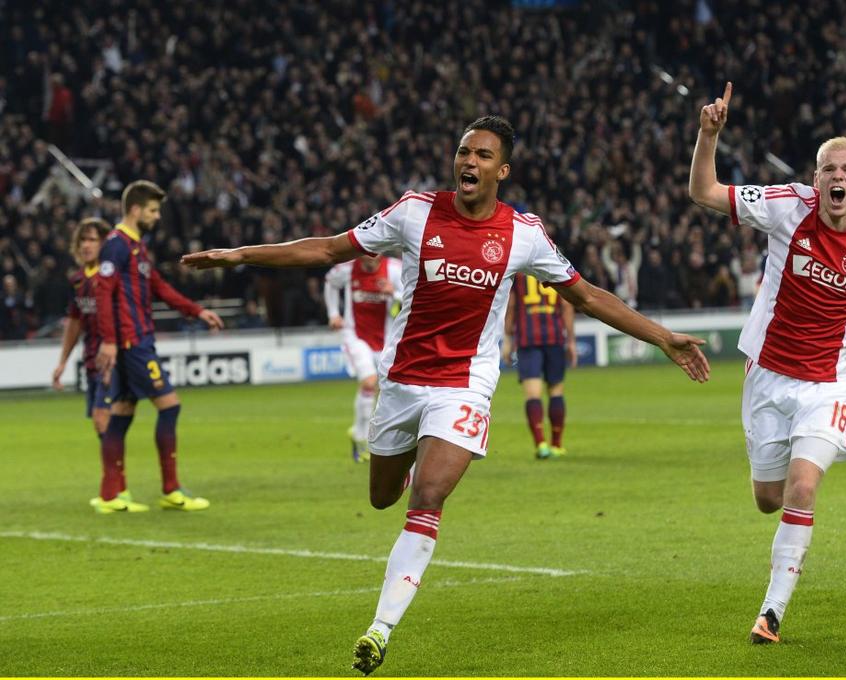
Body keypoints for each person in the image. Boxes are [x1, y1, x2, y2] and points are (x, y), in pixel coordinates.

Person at [182, 115, 710, 674]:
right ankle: (414, 457)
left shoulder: (524, 233)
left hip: (465, 384)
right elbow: (329, 250)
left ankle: (380, 629)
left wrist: (661, 337)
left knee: (428, 494)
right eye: (463, 152)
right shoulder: (414, 211)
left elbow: (588, 296)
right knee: (382, 496)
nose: (469, 162)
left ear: (502, 171)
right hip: (402, 381)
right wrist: (240, 254)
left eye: (483, 155)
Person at [689, 83, 846, 644]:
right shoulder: (787, 206)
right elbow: (704, 191)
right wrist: (708, 135)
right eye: (828, 168)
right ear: (816, 178)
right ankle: (787, 521)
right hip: (768, 375)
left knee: (802, 487)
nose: (837, 176)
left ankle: (771, 613)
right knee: (769, 499)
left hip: (832, 385)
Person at [93, 180, 224, 514]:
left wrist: (196, 311)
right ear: (135, 209)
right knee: (169, 406)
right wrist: (109, 340)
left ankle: (110, 495)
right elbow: (102, 293)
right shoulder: (116, 245)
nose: (157, 216)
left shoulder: (136, 246)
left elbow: (159, 287)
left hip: (134, 341)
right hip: (132, 342)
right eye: (152, 210)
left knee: (122, 414)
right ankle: (171, 489)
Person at [325, 255, 404, 462]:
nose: (370, 256)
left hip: (388, 340)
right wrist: (333, 313)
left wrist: (394, 293)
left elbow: (415, 297)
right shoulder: (347, 268)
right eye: (366, 251)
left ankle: (362, 434)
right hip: (355, 336)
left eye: (374, 251)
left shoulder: (395, 269)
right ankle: (363, 438)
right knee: (369, 382)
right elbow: (330, 282)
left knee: (387, 390)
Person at [501, 273, 577, 459]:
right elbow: (567, 306)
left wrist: (508, 339)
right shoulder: (556, 268)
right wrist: (571, 341)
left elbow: (511, 305)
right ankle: (556, 445)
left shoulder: (520, 273)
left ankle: (540, 444)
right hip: (554, 336)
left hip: (528, 339)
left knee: (533, 393)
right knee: (556, 391)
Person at [52, 218, 112, 440]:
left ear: (103, 244)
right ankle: (115, 462)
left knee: (102, 419)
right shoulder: (77, 280)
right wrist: (62, 362)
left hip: (112, 359)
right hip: (91, 360)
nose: (86, 245)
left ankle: (114, 467)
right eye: (82, 240)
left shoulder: (111, 277)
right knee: (102, 425)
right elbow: (74, 323)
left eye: (92, 240)